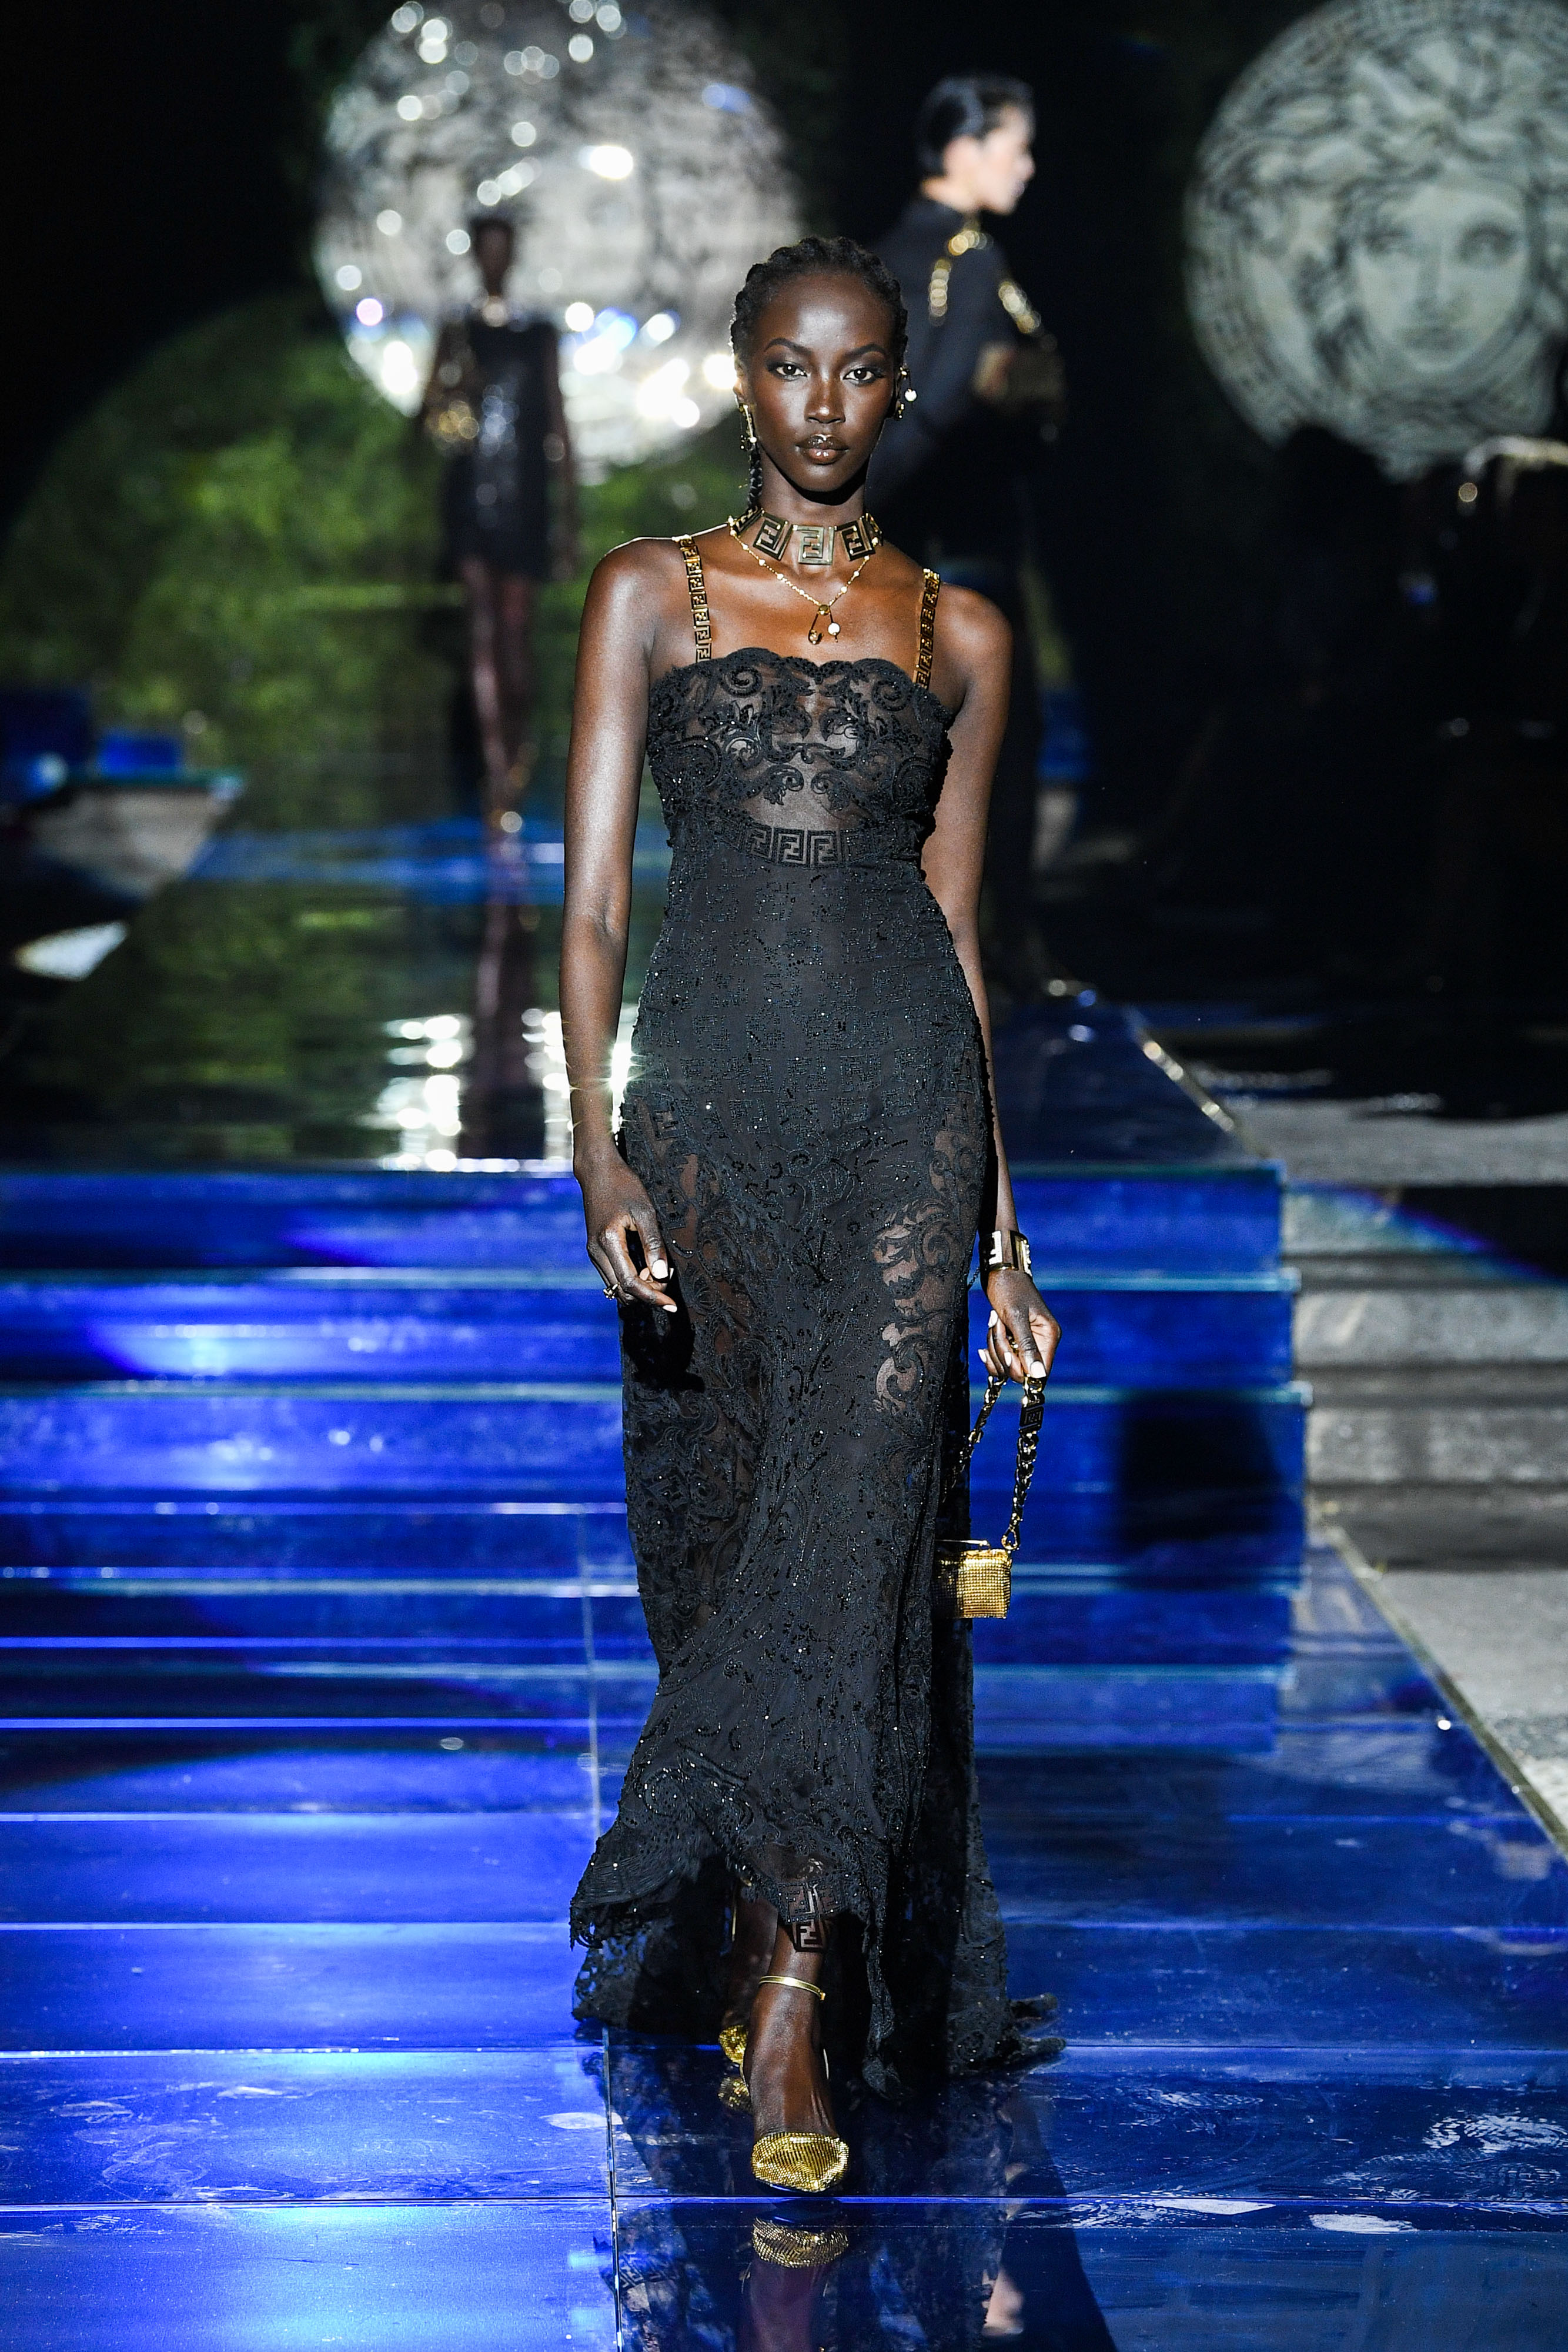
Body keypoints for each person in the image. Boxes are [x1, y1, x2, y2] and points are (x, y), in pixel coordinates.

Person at [560, 234, 1061, 2196]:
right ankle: (747, 1926)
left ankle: (791, 1994)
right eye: (792, 366)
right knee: (721, 1536)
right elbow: (593, 906)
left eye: (859, 372)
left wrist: (1000, 1231)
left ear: (897, 389)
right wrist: (594, 1152)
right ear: (742, 376)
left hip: (901, 1126)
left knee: (856, 1543)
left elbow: (960, 934)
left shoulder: (960, 630)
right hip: (701, 1120)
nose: (825, 404)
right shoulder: (648, 594)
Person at [871, 75, 1066, 995]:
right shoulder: (971, 258)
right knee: (1001, 741)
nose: (1026, 168)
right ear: (964, 149)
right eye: (1013, 147)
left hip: (901, 545)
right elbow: (945, 398)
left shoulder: (884, 257)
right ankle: (1006, 940)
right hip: (966, 539)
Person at [420, 214, 577, 824]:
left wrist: (567, 513)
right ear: (474, 255)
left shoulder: (538, 332)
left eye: (501, 249)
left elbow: (557, 419)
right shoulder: (456, 330)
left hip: (525, 494)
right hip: (469, 493)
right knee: (484, 631)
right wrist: (453, 391)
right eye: (484, 250)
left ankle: (515, 752)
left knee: (515, 634)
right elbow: (430, 415)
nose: (493, 260)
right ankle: (496, 769)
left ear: (512, 255)